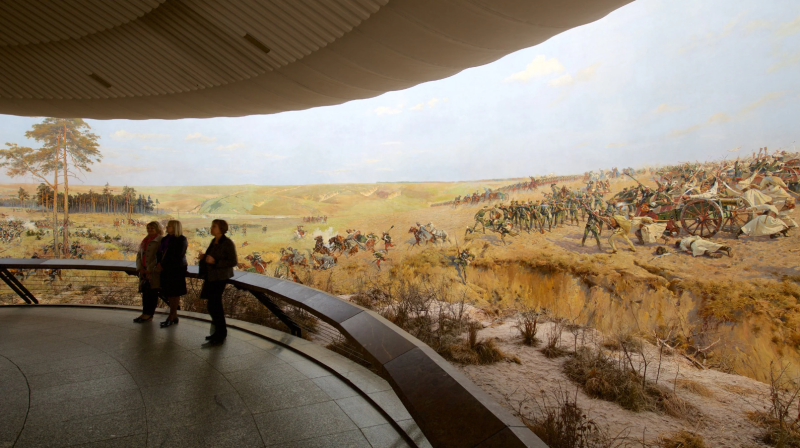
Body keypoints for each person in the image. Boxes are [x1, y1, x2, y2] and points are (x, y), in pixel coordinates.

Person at [197, 219, 238, 344]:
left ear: (221, 229)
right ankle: (218, 333)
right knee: (212, 305)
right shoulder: (213, 241)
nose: (211, 228)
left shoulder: (227, 243)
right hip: (212, 276)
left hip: (220, 277)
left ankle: (220, 333)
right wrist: (205, 258)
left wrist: (214, 262)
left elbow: (233, 261)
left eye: (214, 226)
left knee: (215, 305)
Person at [158, 220, 188, 328]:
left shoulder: (181, 239)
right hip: (166, 270)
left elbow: (178, 255)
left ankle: (171, 316)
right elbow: (160, 252)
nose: (167, 228)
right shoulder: (166, 239)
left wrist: (163, 264)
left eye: (169, 226)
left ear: (175, 227)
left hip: (176, 270)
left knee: (174, 293)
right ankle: (173, 316)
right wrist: (159, 263)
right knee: (170, 293)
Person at [134, 221, 163, 323]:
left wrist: (149, 269)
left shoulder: (160, 240)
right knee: (145, 293)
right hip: (144, 270)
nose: (150, 230)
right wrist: (140, 267)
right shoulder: (145, 239)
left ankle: (149, 314)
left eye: (152, 228)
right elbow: (139, 254)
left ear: (158, 229)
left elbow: (158, 257)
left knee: (152, 293)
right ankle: (145, 313)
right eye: (148, 228)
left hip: (152, 272)